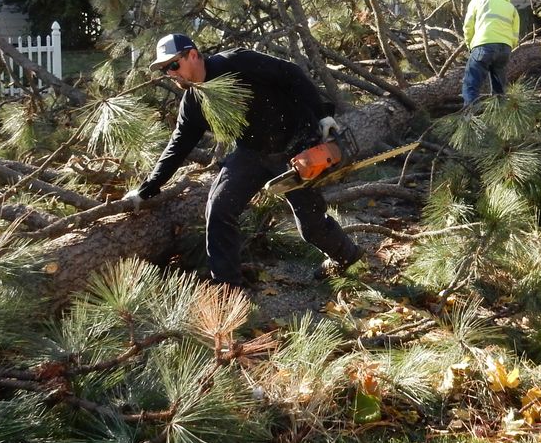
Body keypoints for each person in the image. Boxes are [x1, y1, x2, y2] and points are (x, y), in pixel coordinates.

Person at [122, 34, 364, 288]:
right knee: (219, 209)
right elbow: (178, 145)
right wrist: (146, 189)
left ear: (192, 55)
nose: (171, 73)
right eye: (165, 69)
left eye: (173, 65)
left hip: (296, 143)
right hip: (252, 152)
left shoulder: (237, 62)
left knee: (311, 227)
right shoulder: (193, 103)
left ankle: (346, 255)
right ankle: (228, 289)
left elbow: (291, 73)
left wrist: (322, 117)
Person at [461, 0, 520, 106]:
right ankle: (500, 116)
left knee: (471, 84)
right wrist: (508, 46)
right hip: (505, 49)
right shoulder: (511, 7)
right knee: (499, 89)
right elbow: (515, 33)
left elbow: (468, 26)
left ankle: (469, 119)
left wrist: (470, 44)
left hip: (483, 45)